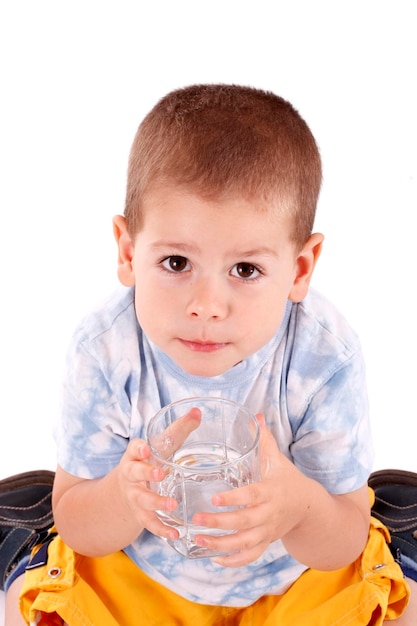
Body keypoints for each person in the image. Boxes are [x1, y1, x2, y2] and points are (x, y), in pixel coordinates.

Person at [2, 83, 416, 624]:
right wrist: (123, 498)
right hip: (144, 573)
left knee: (389, 603)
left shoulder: (322, 355)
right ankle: (24, 530)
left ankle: (397, 519)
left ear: (300, 269)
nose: (206, 306)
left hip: (293, 576)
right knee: (40, 605)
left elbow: (339, 538)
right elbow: (81, 522)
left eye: (245, 270)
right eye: (176, 263)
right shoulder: (105, 349)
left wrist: (299, 506)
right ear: (128, 253)